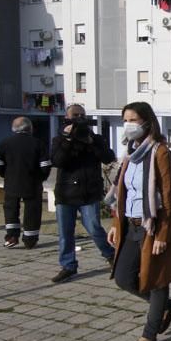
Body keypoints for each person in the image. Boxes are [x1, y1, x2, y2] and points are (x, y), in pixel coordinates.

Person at [107, 102, 171, 341]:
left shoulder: (160, 152)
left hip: (151, 225)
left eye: (133, 120)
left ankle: (148, 336)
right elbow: (122, 194)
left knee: (156, 279)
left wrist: (163, 233)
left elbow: (167, 196)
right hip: (129, 224)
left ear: (147, 122)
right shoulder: (130, 153)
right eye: (125, 119)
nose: (128, 124)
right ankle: (164, 306)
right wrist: (116, 224)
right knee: (123, 278)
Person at [50, 104, 117, 283]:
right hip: (66, 193)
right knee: (65, 232)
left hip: (89, 193)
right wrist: (68, 139)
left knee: (94, 228)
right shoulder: (59, 139)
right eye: (75, 115)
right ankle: (68, 265)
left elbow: (109, 157)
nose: (79, 118)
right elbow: (57, 161)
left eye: (82, 115)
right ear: (67, 117)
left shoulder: (95, 138)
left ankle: (111, 255)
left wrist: (92, 142)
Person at [0, 117, 50, 249]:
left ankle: (12, 236)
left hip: (11, 183)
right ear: (30, 128)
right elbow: (45, 166)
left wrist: (5, 174)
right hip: (32, 184)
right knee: (32, 211)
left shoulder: (5, 143)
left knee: (11, 209)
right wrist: (40, 177)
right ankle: (30, 239)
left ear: (13, 129)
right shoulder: (38, 143)